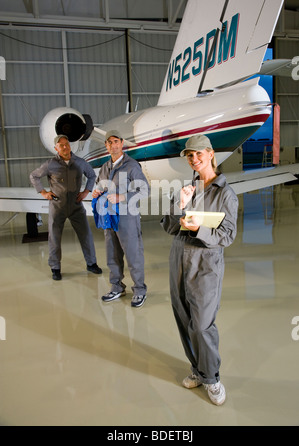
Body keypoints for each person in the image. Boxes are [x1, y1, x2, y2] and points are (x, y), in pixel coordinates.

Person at [160, 134, 239, 406]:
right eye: (190, 156)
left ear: (210, 153)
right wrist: (179, 205)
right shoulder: (187, 188)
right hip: (179, 259)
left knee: (203, 324)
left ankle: (213, 378)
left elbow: (227, 235)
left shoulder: (225, 193)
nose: (194, 160)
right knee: (184, 319)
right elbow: (169, 226)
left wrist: (200, 229)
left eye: (198, 154)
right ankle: (197, 369)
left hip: (206, 264)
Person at [30, 134, 102, 281]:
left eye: (66, 144)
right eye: (61, 145)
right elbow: (34, 176)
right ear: (56, 148)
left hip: (76, 206)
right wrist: (43, 192)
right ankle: (55, 268)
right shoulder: (51, 164)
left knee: (86, 235)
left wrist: (86, 191)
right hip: (58, 207)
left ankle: (91, 263)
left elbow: (92, 176)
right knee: (55, 238)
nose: (65, 147)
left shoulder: (80, 162)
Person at [92, 130, 150, 308]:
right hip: (109, 218)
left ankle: (139, 290)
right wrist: (97, 191)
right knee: (112, 255)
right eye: (109, 142)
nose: (112, 145)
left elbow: (145, 190)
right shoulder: (105, 167)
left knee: (133, 256)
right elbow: (100, 185)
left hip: (127, 219)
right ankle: (117, 287)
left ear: (122, 143)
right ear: (106, 145)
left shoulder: (132, 166)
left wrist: (122, 197)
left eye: (116, 141)